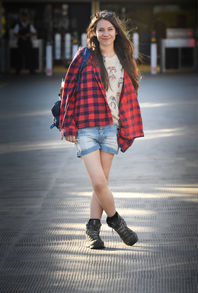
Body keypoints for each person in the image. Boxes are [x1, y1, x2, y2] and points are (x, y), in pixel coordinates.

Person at [60, 11, 144, 249]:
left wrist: (126, 125)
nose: (105, 33)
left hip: (110, 128)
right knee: (98, 182)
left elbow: (128, 96)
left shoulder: (124, 59)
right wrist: (68, 124)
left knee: (101, 183)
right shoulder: (84, 56)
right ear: (94, 33)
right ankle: (117, 222)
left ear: (117, 32)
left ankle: (92, 232)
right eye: (100, 29)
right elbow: (68, 90)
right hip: (85, 126)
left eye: (109, 29)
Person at [13, 10, 36, 74]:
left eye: (25, 17)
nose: (24, 18)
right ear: (21, 17)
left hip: (28, 43)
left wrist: (28, 35)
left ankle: (31, 70)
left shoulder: (29, 25)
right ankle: (18, 70)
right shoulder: (18, 25)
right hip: (21, 43)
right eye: (23, 17)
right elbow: (15, 33)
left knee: (30, 57)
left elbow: (34, 32)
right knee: (19, 57)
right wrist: (21, 36)